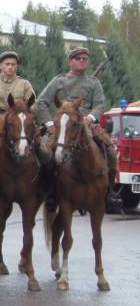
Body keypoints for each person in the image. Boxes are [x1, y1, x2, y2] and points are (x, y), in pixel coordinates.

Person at [36, 46, 121, 209]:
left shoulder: (93, 82)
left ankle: (110, 192)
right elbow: (41, 103)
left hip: (86, 124)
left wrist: (90, 117)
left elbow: (100, 104)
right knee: (46, 153)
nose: (82, 61)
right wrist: (49, 124)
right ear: (70, 61)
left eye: (85, 59)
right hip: (63, 125)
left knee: (109, 149)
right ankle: (49, 191)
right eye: (78, 58)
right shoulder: (58, 81)